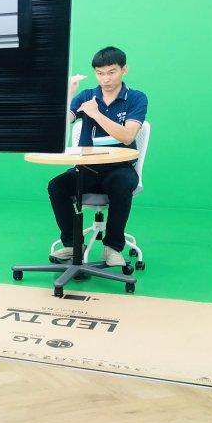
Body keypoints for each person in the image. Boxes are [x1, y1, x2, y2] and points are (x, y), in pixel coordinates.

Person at [48, 47, 148, 267]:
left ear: (124, 70)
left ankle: (112, 247)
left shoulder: (136, 98)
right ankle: (73, 245)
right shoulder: (86, 96)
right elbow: (59, 124)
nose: (105, 79)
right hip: (88, 168)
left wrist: (95, 113)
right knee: (57, 186)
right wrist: (68, 94)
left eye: (111, 72)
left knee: (121, 184)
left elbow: (127, 135)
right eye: (100, 73)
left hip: (120, 168)